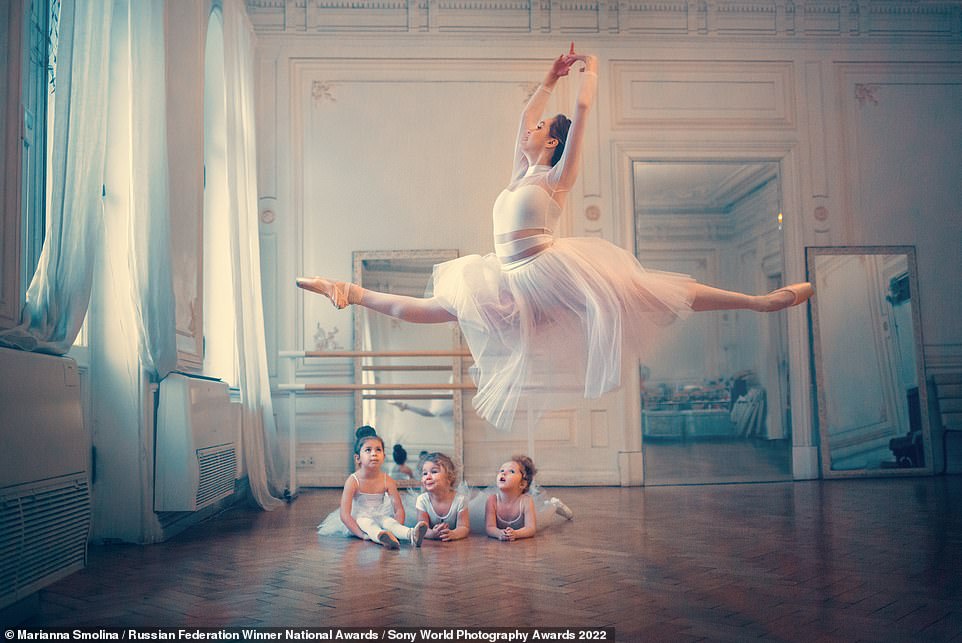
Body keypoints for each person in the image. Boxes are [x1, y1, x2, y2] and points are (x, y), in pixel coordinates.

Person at [297, 44, 814, 433]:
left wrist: (590, 70)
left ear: (552, 141)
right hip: (506, 276)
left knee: (648, 291)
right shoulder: (517, 176)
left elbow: (583, 115)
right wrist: (548, 77)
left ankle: (760, 302)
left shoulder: (555, 179)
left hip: (548, 268)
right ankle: (349, 291)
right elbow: (522, 119)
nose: (529, 128)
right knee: (434, 309)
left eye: (541, 125)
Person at [316, 425, 428, 549]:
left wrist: (396, 527)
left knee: (389, 523)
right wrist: (361, 535)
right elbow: (345, 514)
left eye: (378, 450)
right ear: (357, 458)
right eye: (368, 450)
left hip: (381, 513)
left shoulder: (388, 480)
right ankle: (381, 536)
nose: (374, 454)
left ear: (384, 456)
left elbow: (399, 509)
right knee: (368, 524)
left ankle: (411, 534)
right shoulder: (353, 481)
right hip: (361, 515)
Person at [415, 452, 471, 542]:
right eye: (425, 473)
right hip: (431, 548)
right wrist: (433, 534)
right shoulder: (422, 500)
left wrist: (454, 534)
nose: (428, 477)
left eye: (434, 472)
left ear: (449, 477)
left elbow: (464, 527)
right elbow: (422, 529)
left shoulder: (460, 500)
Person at [485, 455, 540, 541]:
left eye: (511, 471)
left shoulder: (526, 501)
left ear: (522, 484)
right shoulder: (492, 500)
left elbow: (531, 528)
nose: (503, 473)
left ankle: (556, 505)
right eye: (502, 470)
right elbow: (490, 527)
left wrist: (516, 534)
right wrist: (499, 533)